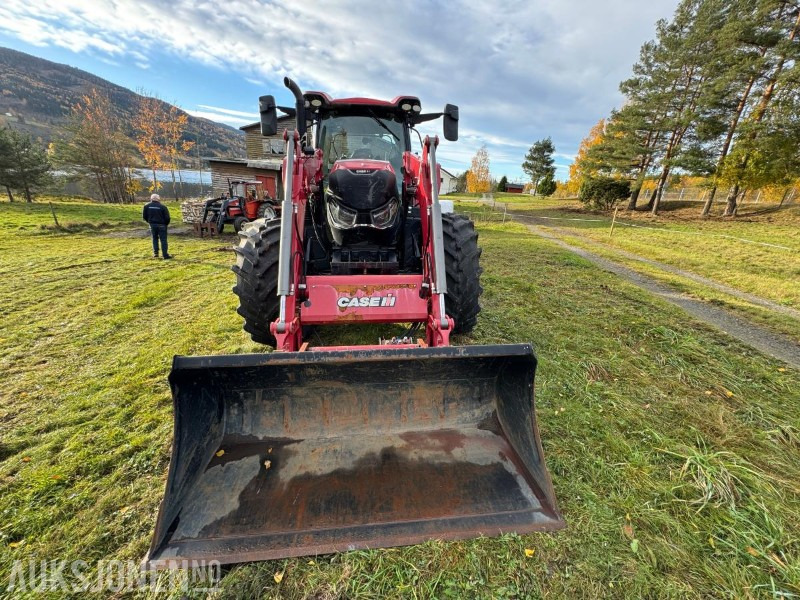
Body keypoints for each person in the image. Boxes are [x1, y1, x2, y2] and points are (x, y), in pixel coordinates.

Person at [142, 193, 172, 259]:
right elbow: (167, 218)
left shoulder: (146, 206)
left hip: (152, 225)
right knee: (163, 240)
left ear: (151, 199)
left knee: (154, 239)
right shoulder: (163, 207)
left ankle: (156, 253)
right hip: (162, 225)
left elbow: (144, 216)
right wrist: (165, 224)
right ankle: (165, 255)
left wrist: (150, 222)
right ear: (158, 199)